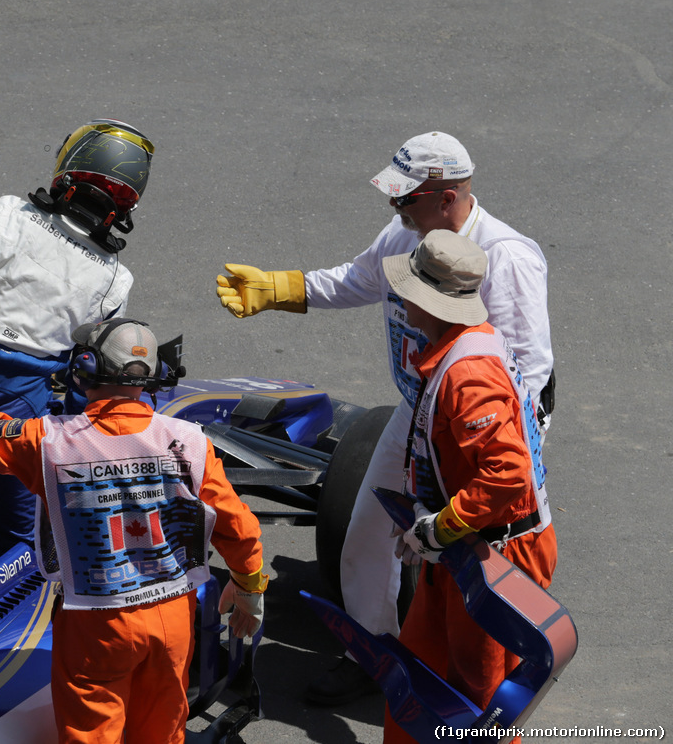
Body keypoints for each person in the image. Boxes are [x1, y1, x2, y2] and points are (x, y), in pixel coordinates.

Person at [213, 131, 554, 705]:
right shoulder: (407, 233)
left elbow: (531, 371)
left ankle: (483, 686)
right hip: (421, 410)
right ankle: (374, 653)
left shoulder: (506, 257)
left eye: (406, 199)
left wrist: (480, 455)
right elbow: (360, 279)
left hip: (477, 430)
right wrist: (282, 289)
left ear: (447, 197)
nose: (394, 209)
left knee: (476, 561)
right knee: (367, 532)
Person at [0, 318, 268, 744]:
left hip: (97, 626)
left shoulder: (49, 442)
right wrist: (249, 586)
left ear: (84, 367)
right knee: (162, 733)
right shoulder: (190, 441)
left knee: (92, 733)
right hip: (173, 618)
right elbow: (237, 524)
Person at [0, 119, 153, 557]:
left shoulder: (4, 213)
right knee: (20, 536)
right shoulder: (115, 279)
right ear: (125, 206)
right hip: (15, 417)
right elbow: (88, 376)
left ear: (68, 169)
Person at [381, 229, 556, 744]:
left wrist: (441, 527)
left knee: (479, 707)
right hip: (466, 546)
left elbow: (506, 474)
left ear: (426, 300)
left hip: (495, 559)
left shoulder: (467, 372)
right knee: (416, 677)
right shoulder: (464, 345)